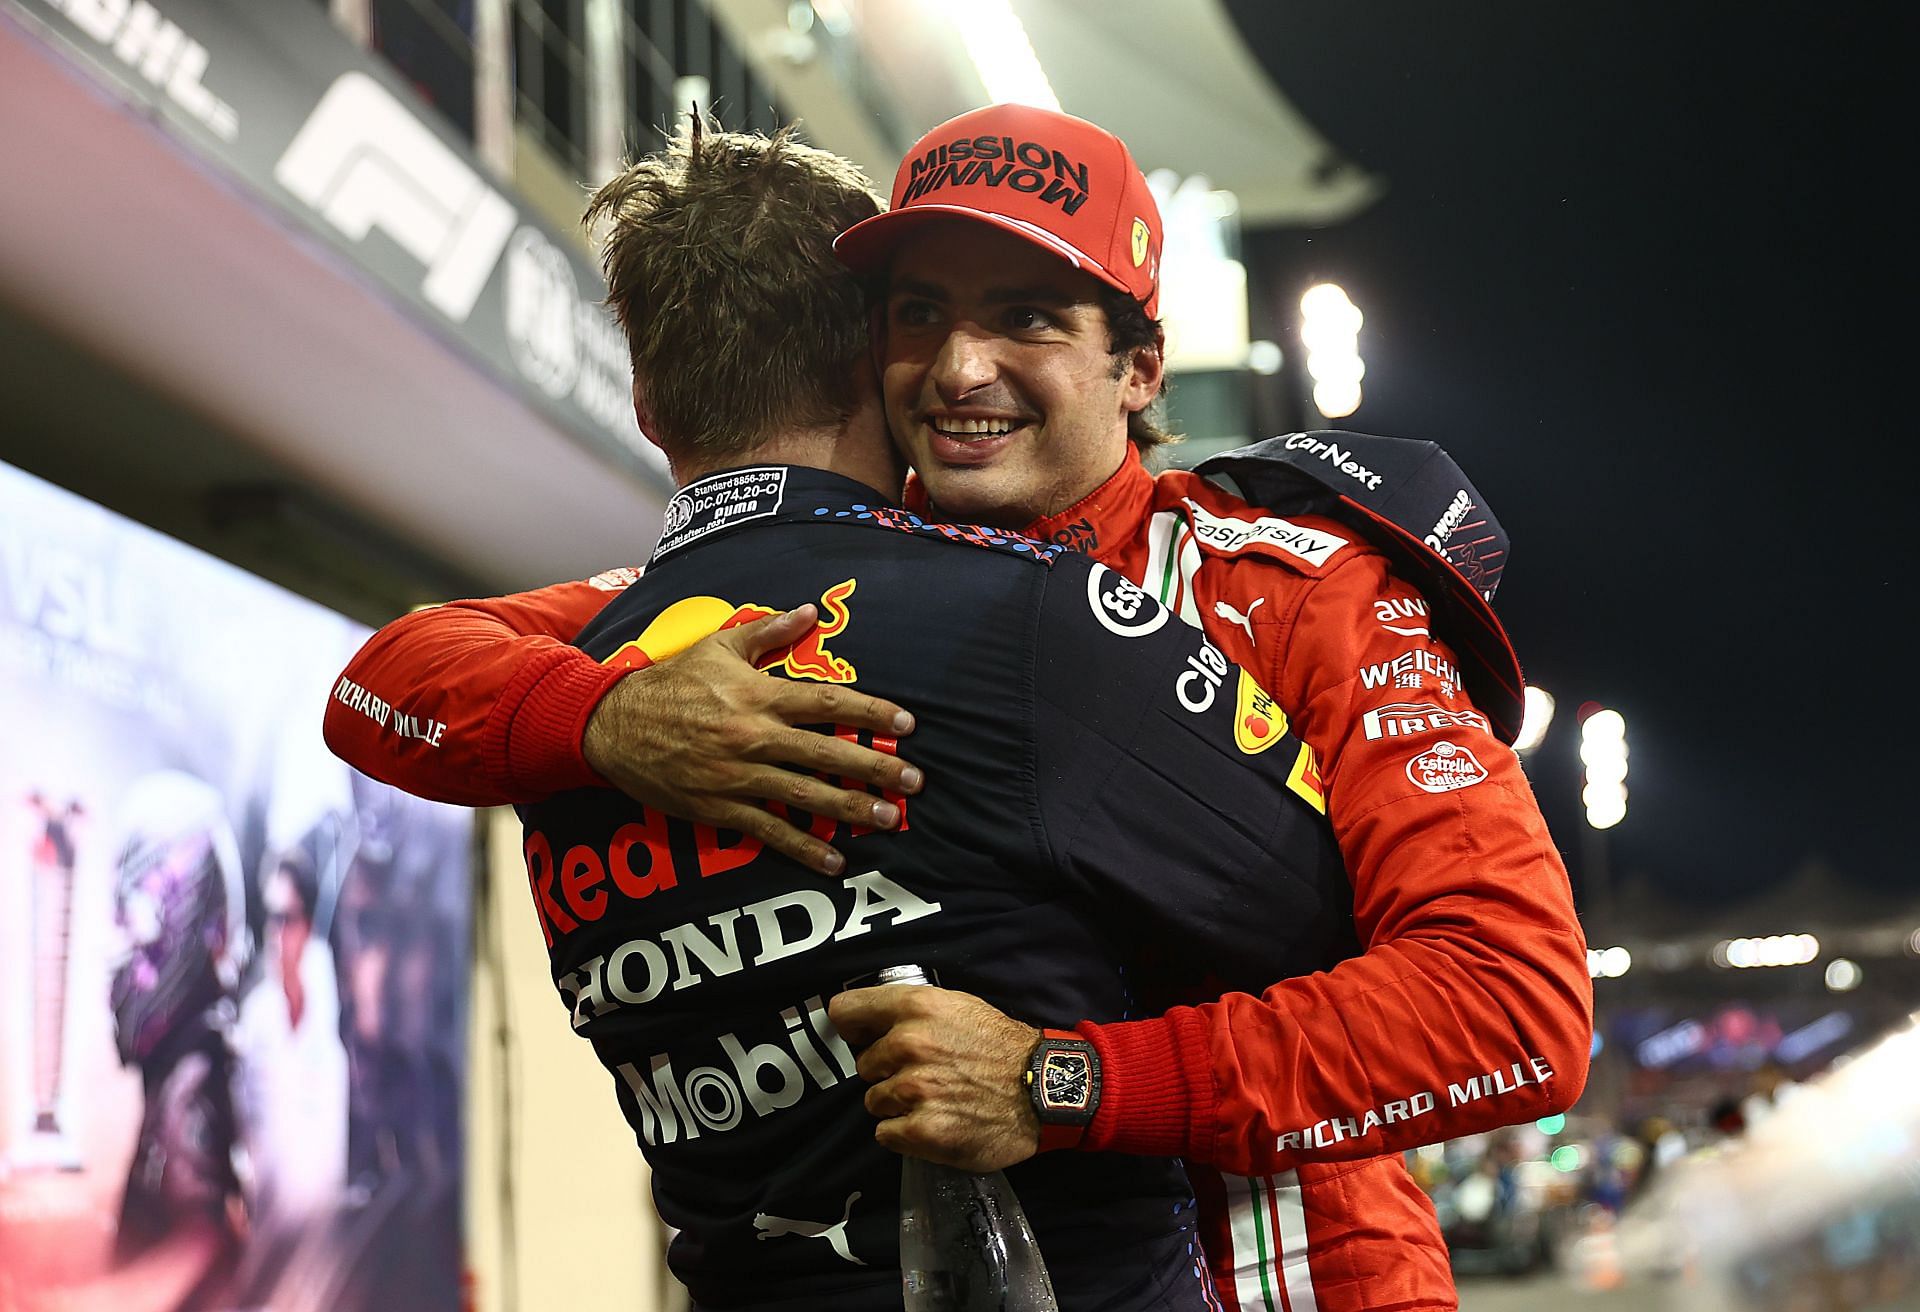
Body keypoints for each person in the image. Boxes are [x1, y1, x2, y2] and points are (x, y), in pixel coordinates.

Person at [324, 106, 1592, 1310]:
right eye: (918, 314)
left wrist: (1065, 1079)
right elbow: (389, 678)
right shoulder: (826, 590)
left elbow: (1517, 1008)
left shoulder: (1299, 592)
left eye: (1027, 317)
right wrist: (602, 718)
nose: (958, 366)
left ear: (1140, 367)